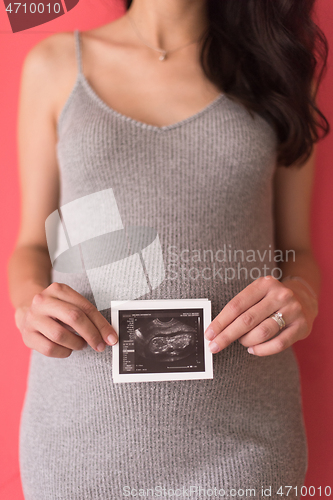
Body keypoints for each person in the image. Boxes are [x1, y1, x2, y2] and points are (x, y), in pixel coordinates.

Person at [7, 0, 329, 498]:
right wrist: (30, 304)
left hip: (243, 444)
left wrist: (301, 295)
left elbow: (295, 250)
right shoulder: (54, 65)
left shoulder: (279, 66)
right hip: (80, 438)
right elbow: (32, 242)